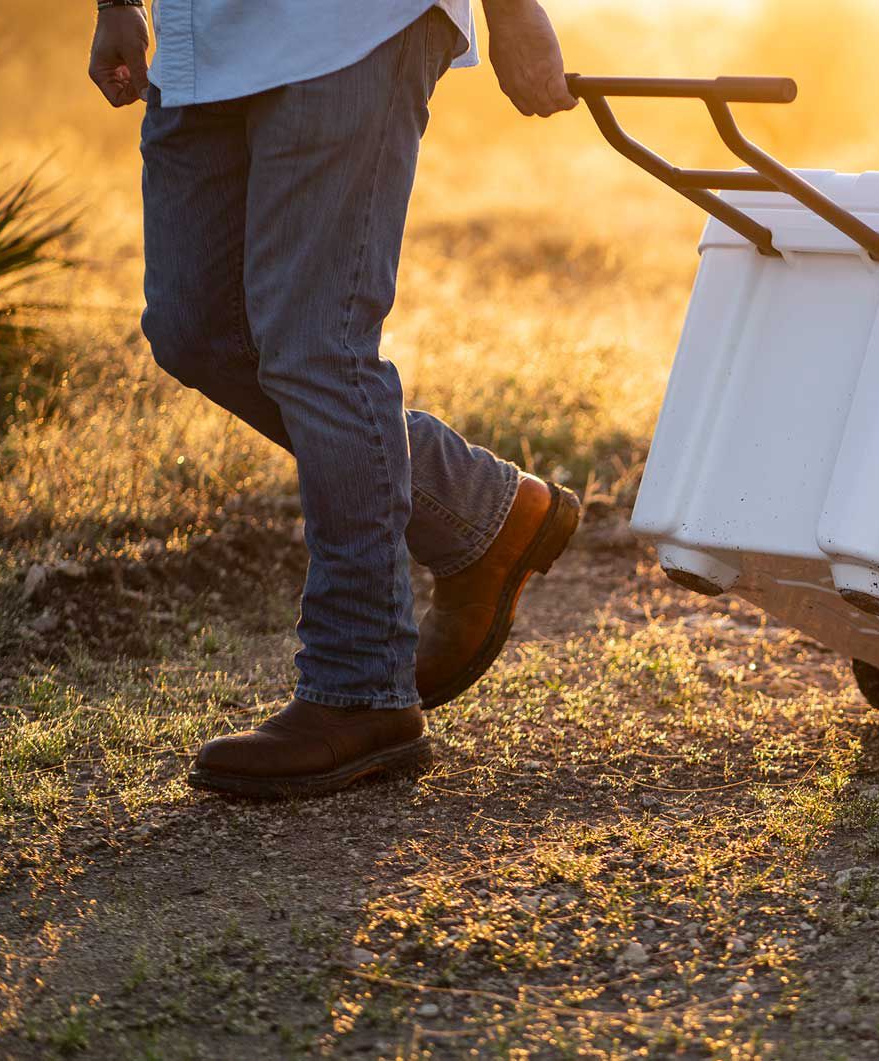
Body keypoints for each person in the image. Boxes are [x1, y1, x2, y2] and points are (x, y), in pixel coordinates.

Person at [87, 0, 584, 799]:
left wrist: (515, 11)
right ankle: (481, 510)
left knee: (319, 345)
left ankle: (360, 686)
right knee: (197, 330)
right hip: (199, 40)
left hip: (347, 26)